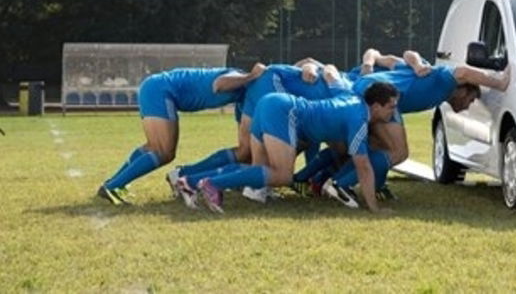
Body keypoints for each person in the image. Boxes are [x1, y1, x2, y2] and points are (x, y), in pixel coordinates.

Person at [315, 50, 511, 207]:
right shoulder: (443, 78)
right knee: (399, 152)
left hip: (369, 88)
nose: (469, 105)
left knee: (377, 148)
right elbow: (464, 72)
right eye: (471, 99)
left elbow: (401, 56)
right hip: (381, 94)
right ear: (462, 88)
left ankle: (337, 181)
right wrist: (500, 83)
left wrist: (415, 63)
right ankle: (339, 184)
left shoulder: (422, 72)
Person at [179, 81, 398, 214]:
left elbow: (332, 81)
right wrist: (374, 208)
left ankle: (190, 182)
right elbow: (364, 167)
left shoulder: (351, 97)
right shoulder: (359, 118)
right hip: (284, 110)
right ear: (376, 106)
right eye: (391, 107)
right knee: (281, 175)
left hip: (269, 102)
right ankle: (212, 184)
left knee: (258, 169)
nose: (393, 113)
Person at [169, 62, 350, 205]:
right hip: (271, 87)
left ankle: (188, 177)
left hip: (263, 85)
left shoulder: (342, 82)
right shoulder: (350, 91)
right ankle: (198, 180)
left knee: (247, 154)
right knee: (278, 165)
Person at [97, 63, 265, 205]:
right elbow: (218, 85)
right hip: (161, 90)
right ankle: (113, 187)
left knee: (152, 146)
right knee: (164, 151)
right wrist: (252, 76)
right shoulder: (239, 77)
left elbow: (245, 146)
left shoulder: (245, 98)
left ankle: (112, 184)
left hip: (156, 87)